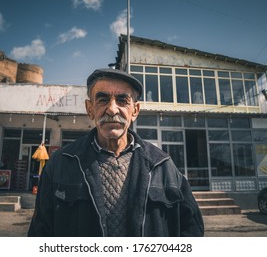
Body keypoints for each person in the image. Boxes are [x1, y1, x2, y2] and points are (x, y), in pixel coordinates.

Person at [28, 68, 204, 237]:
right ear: (90, 109)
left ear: (135, 111)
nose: (112, 109)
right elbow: (40, 232)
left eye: (122, 100)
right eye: (103, 100)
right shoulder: (61, 164)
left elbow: (191, 228)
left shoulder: (162, 165)